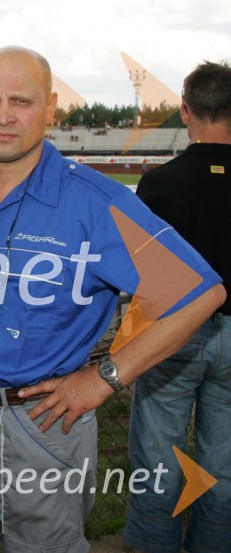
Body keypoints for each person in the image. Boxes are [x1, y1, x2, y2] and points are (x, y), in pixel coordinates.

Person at [0, 46, 225, 552]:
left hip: (38, 428)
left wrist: (105, 378)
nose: (4, 114)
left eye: (22, 100)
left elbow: (199, 294)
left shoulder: (96, 202)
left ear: (52, 108)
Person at [124, 60, 231, 553]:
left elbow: (140, 273)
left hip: (173, 337)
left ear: (185, 110)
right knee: (223, 471)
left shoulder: (159, 183)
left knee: (157, 467)